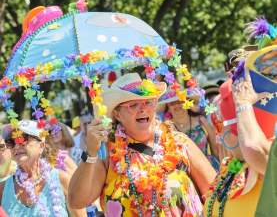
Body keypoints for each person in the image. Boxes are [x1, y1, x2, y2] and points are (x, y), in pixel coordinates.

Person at [69, 73, 216, 216]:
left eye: (148, 102)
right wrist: (91, 153)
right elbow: (77, 201)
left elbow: (214, 193)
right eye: (133, 105)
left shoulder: (179, 142)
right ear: (117, 115)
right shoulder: (108, 154)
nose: (143, 109)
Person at [204, 71, 272, 217]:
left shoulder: (266, 161)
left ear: (238, 129)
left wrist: (242, 104)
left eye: (219, 122)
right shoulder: (230, 167)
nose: (218, 133)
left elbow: (254, 147)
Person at [0, 120, 87, 216]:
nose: (16, 146)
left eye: (22, 139)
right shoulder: (3, 189)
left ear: (41, 146)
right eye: (10, 142)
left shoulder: (62, 179)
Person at [158, 87, 219, 170]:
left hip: (209, 168)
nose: (176, 105)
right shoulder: (166, 128)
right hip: (184, 176)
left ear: (187, 102)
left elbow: (215, 148)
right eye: (172, 103)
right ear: (167, 107)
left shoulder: (201, 120)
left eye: (180, 101)